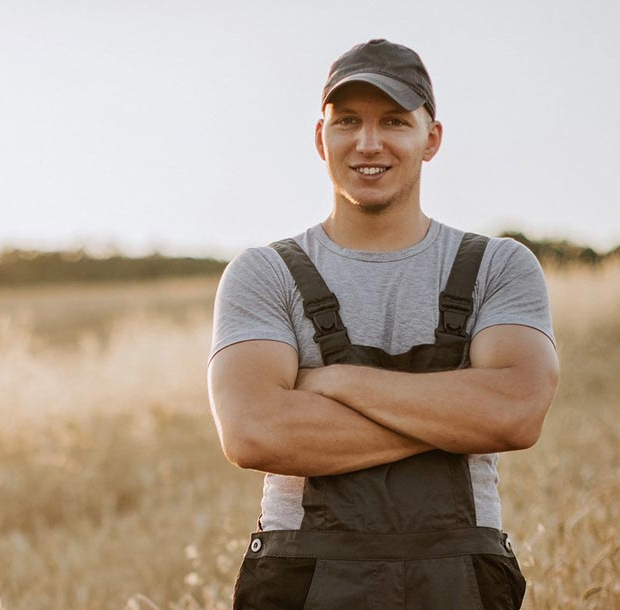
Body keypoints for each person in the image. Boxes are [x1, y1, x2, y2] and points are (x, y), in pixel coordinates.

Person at [207, 38, 559, 609]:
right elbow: (254, 432)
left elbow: (516, 413)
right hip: (303, 577)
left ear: (432, 138)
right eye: (347, 121)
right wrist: (457, 416)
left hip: (459, 578)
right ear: (320, 138)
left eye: (394, 121)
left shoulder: (498, 266)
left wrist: (339, 383)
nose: (368, 143)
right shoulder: (264, 274)